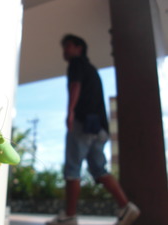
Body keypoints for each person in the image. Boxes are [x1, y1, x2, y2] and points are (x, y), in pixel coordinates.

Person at [46, 34, 140, 225]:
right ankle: (126, 206)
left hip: (82, 122)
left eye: (68, 46)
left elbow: (75, 86)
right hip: (99, 127)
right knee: (98, 169)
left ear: (79, 48)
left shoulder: (76, 64)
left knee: (73, 168)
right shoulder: (93, 70)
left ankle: (69, 217)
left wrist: (70, 112)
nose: (65, 50)